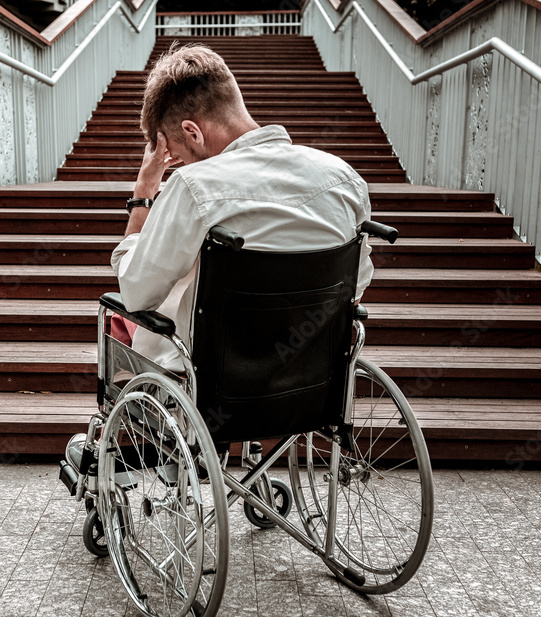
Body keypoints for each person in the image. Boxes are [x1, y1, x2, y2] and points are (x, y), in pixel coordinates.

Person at [110, 44, 374, 371]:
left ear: (192, 131)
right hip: (307, 376)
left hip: (210, 376)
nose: (183, 165)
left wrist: (143, 194)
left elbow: (136, 292)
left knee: (119, 321)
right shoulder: (345, 179)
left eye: (181, 155)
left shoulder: (195, 185)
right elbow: (355, 289)